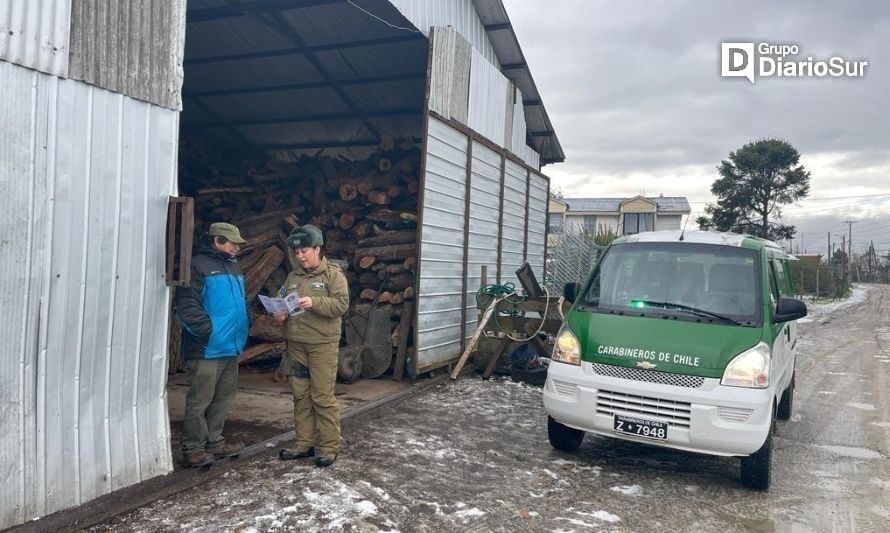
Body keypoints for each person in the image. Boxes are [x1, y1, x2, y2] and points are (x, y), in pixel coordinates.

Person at [175, 222, 249, 467]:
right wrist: (210, 332)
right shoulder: (197, 266)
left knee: (223, 398)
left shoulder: (233, 266)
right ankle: (193, 448)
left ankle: (215, 443)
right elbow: (187, 307)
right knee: (200, 400)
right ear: (217, 240)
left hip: (230, 345)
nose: (237, 247)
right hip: (207, 347)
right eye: (233, 242)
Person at [274, 224, 349, 467]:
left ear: (318, 249)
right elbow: (282, 297)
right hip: (297, 346)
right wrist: (280, 312)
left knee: (322, 396)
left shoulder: (333, 275)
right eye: (296, 253)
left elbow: (341, 306)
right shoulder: (293, 277)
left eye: (304, 251)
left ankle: (328, 447)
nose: (300, 256)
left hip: (321, 346)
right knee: (300, 396)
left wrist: (314, 302)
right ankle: (303, 444)